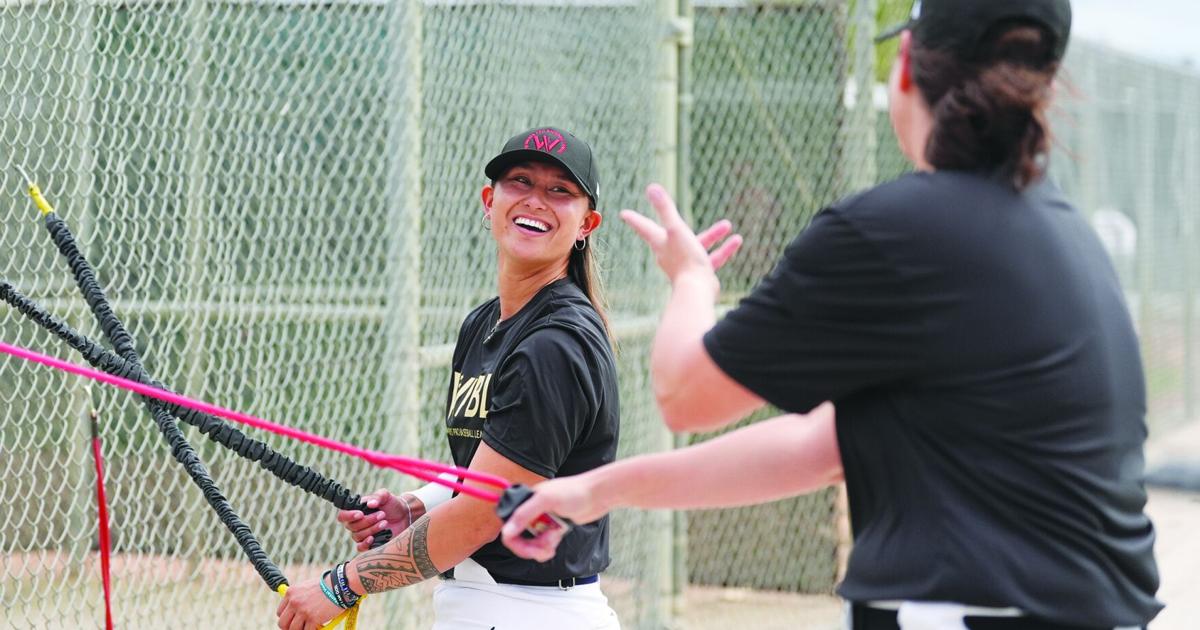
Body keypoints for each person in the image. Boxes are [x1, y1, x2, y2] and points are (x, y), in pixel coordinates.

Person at [502, 2, 1164, 629]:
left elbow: (683, 393)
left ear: (906, 63)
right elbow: (818, 447)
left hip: (968, 609)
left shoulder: (898, 230)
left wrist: (692, 281)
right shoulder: (1065, 237)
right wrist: (595, 491)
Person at [276, 126, 622, 630]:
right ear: (489, 201)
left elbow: (484, 514)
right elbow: (496, 468)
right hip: (482, 606)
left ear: (587, 222)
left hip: (532, 611)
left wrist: (341, 584)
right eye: (519, 182)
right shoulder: (485, 324)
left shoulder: (554, 345)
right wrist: (416, 507)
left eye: (559, 191)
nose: (535, 201)